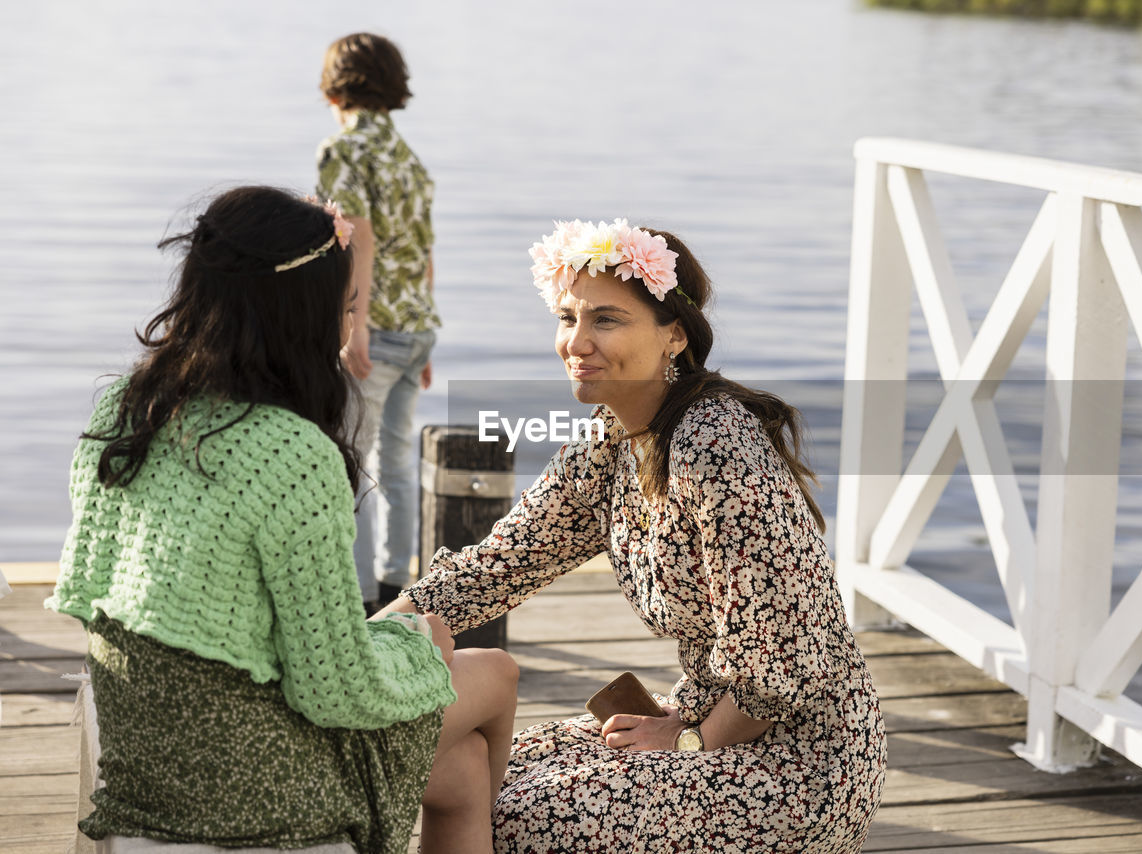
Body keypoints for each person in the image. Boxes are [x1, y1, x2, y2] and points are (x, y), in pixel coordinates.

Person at [378, 219, 887, 853]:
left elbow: (780, 666)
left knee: (519, 819)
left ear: (674, 335)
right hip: (699, 714)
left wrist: (687, 741)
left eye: (607, 321)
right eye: (568, 318)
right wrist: (373, 639)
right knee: (474, 764)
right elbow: (500, 566)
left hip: (796, 761)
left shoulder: (716, 446)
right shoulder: (610, 437)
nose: (577, 343)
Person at [46, 187, 518, 854]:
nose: (353, 329)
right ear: (303, 315)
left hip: (149, 750)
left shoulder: (124, 410)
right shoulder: (290, 454)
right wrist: (422, 658)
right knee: (494, 670)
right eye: (350, 308)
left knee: (462, 766)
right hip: (248, 783)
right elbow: (333, 692)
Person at [316, 32, 441, 615]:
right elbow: (422, 250)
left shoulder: (343, 151)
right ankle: (398, 593)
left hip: (376, 329)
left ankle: (360, 603)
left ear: (335, 87)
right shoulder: (408, 157)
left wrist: (354, 326)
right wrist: (424, 337)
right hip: (415, 326)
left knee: (349, 466)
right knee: (395, 464)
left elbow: (356, 241)